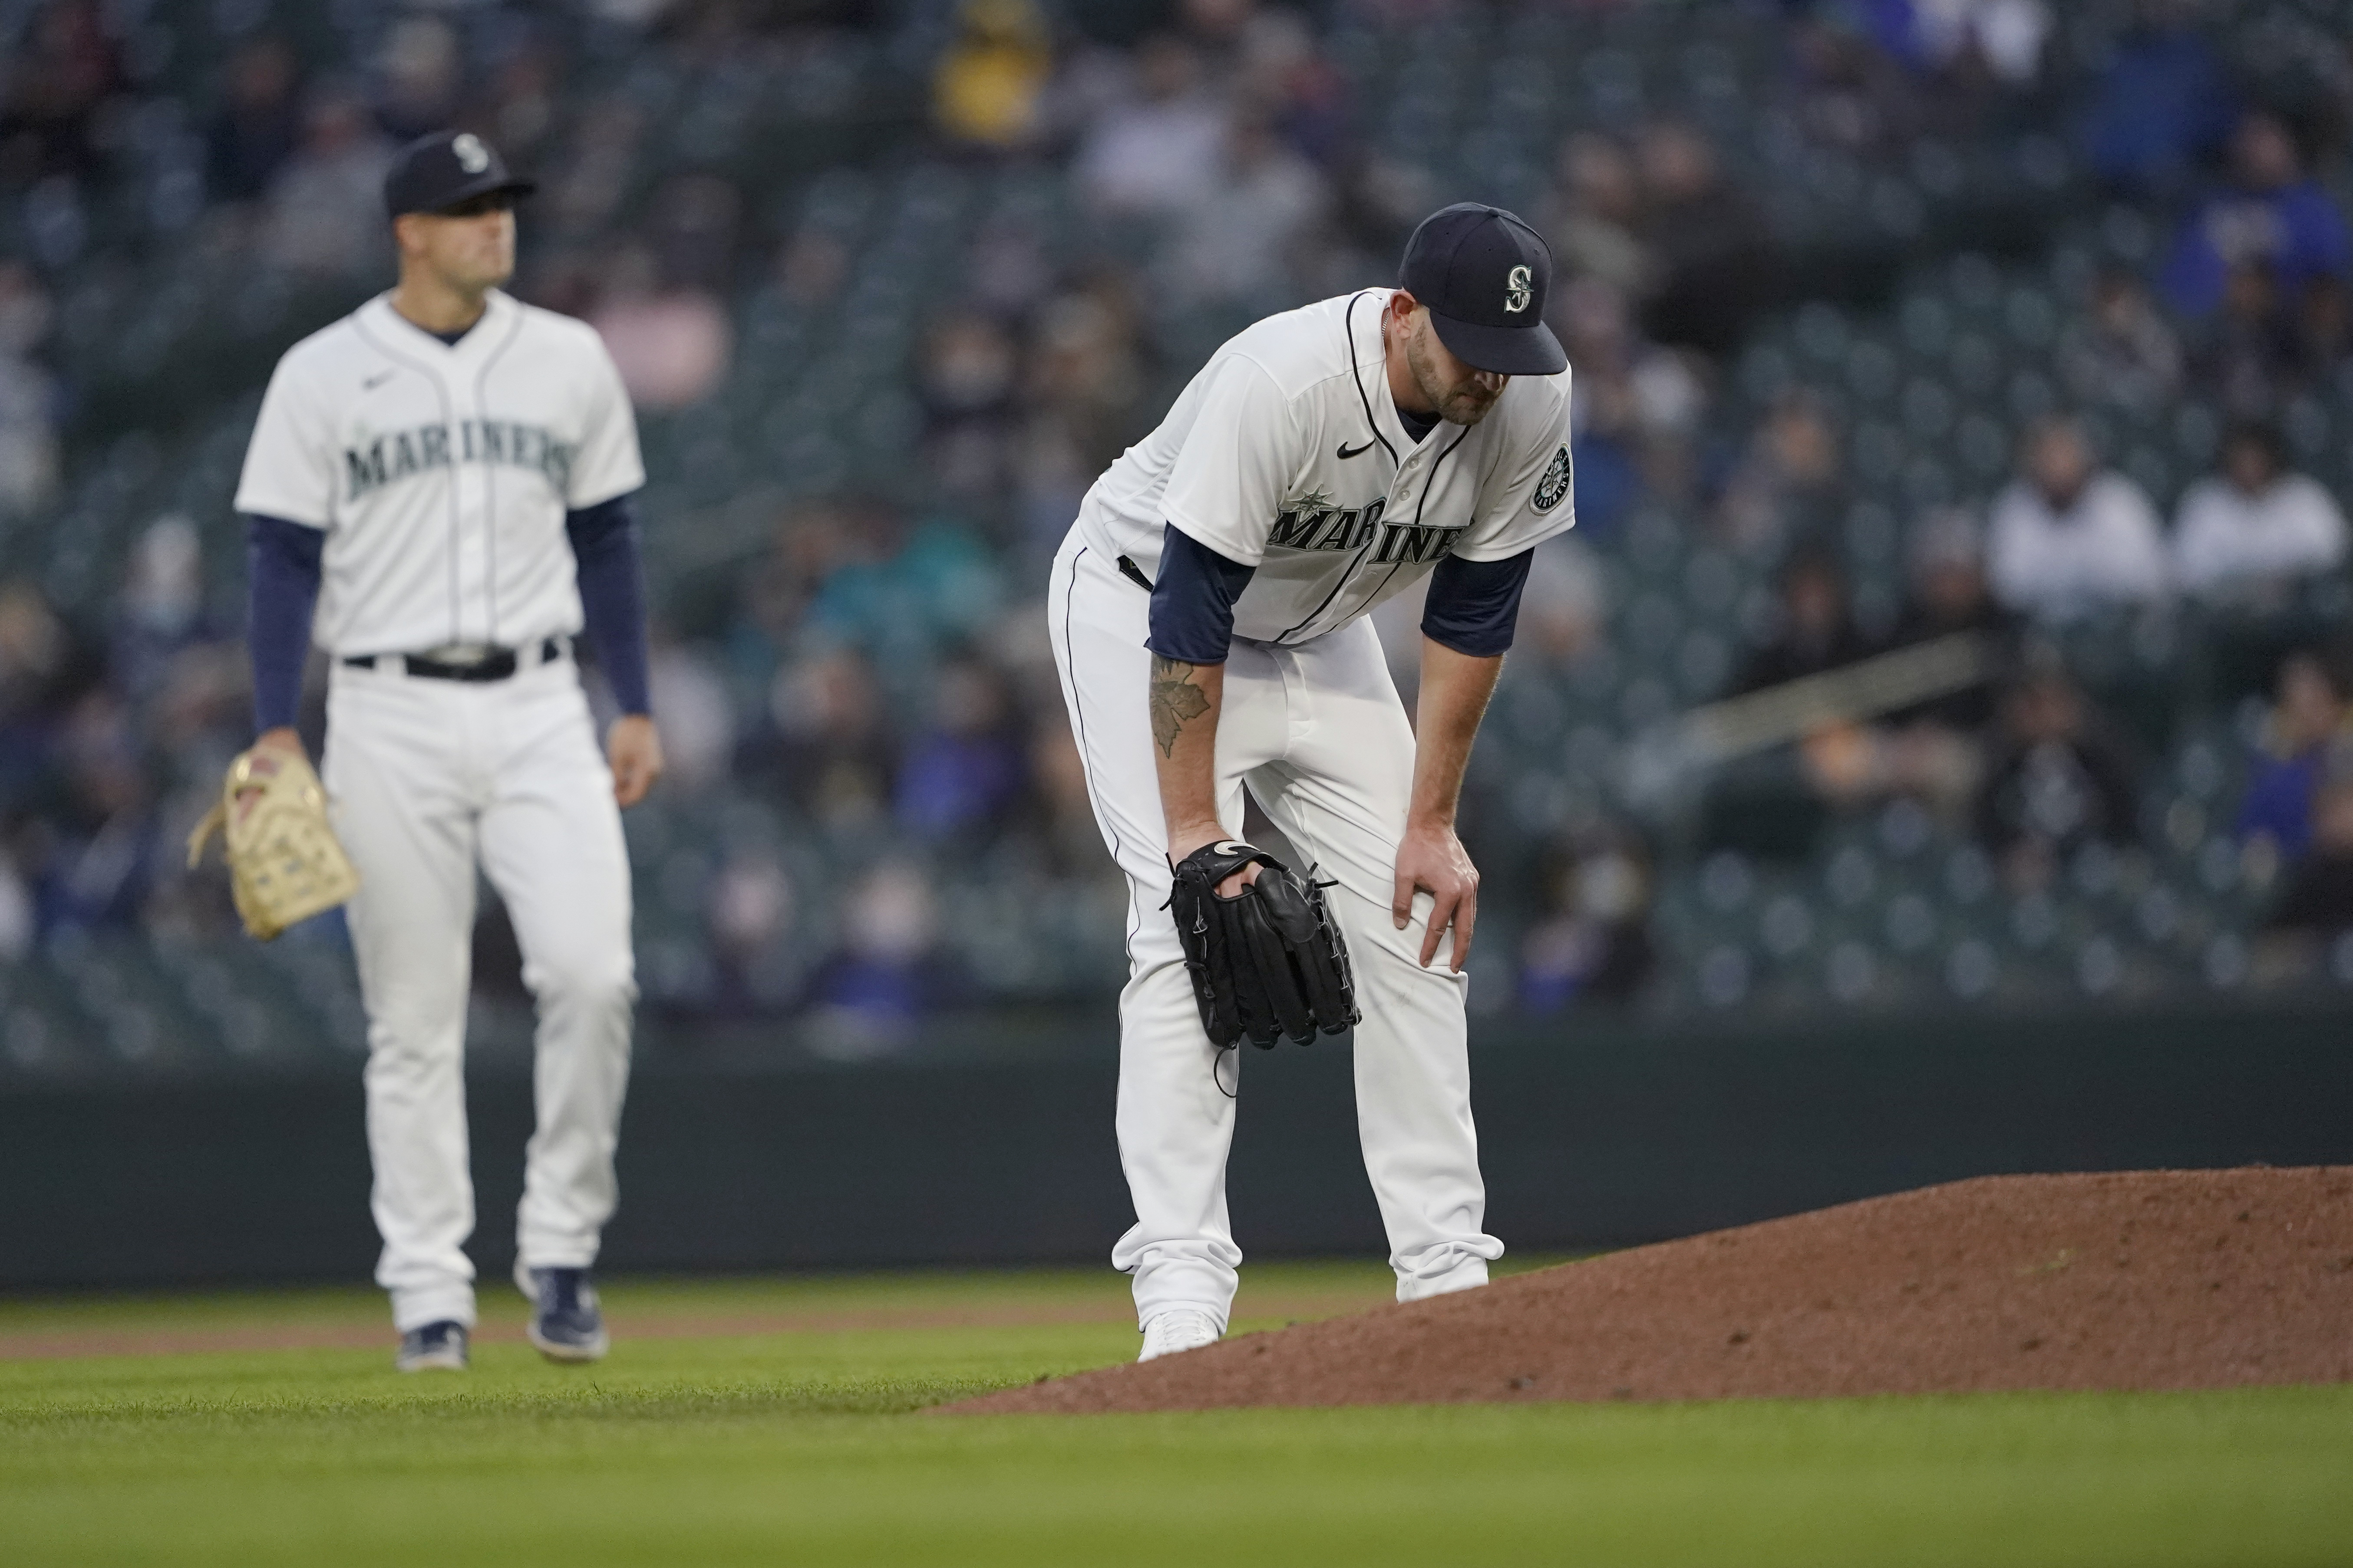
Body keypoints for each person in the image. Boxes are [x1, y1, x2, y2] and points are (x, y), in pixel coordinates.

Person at [1048, 204, 1575, 1360]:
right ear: (1402, 317)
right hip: (1145, 606)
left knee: (1420, 913)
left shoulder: (1530, 395)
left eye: (1513, 350)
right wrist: (1199, 839)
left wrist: (1432, 822)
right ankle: (1180, 1295)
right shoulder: (1282, 381)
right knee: (1182, 928)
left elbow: (1476, 615)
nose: (1494, 372)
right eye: (1471, 344)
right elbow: (1190, 608)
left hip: (1323, 629)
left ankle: (1445, 1277)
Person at [233, 132, 664, 1373]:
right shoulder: (323, 372)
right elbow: (277, 557)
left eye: (502, 205)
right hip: (385, 711)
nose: (495, 224)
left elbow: (612, 538)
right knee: (411, 1020)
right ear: (409, 232)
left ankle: (563, 1251)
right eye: (468, 208)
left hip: (541, 704)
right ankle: (429, 1291)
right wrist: (274, 726)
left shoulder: (569, 356)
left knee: (594, 976)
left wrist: (630, 701)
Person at [1985, 416, 2169, 621]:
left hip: (2116, 629)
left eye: (2066, 457)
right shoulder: (2015, 509)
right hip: (2039, 634)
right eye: (2049, 459)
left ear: (2085, 461)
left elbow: (2149, 580)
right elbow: (2008, 590)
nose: (2058, 470)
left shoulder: (2120, 503)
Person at [2173, 422, 2348, 599]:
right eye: (2241, 458)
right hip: (2226, 615)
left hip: (2299, 611)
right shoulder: (2205, 503)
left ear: (2271, 458)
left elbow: (2333, 557)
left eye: (2255, 458)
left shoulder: (2304, 498)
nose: (2248, 467)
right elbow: (2188, 576)